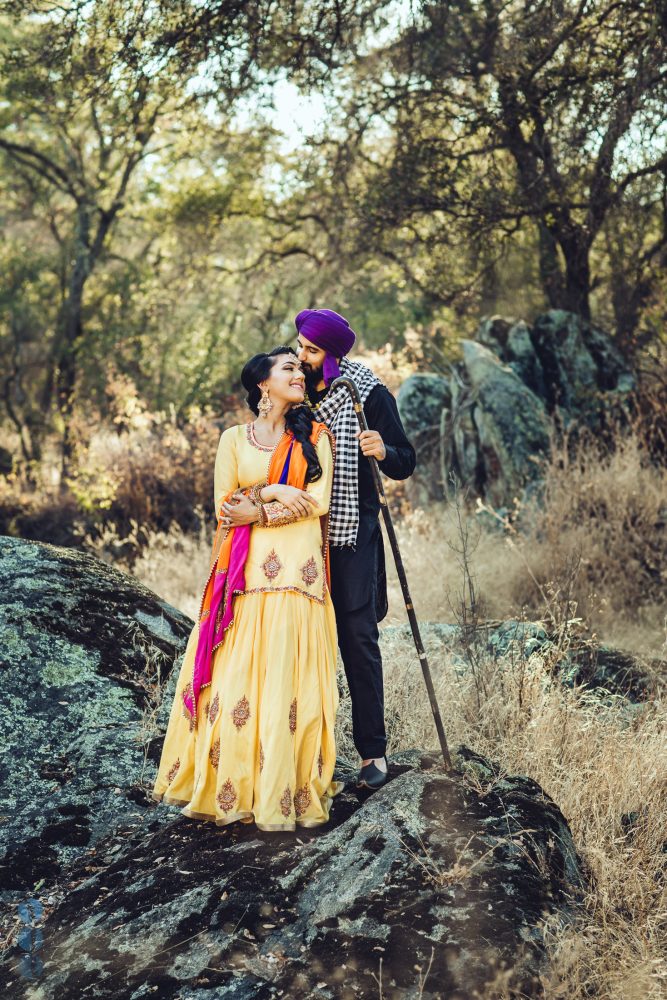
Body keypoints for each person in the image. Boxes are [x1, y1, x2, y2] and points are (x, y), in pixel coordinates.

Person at [152, 347, 343, 831]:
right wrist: (274, 491)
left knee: (287, 684)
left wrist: (257, 509)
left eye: (300, 369)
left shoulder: (315, 437)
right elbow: (224, 506)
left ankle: (285, 791)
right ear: (263, 384)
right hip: (246, 579)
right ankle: (233, 785)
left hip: (297, 579)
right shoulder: (234, 440)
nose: (299, 374)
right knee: (236, 683)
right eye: (288, 368)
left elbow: (317, 502)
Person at [295, 308, 416, 791]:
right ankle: (305, 758)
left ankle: (372, 753)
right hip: (298, 535)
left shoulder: (366, 392)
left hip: (351, 537)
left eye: (312, 350)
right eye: (300, 345)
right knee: (300, 643)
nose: (301, 356)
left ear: (333, 355)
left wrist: (382, 450)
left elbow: (406, 461)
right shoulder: (292, 387)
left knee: (357, 642)